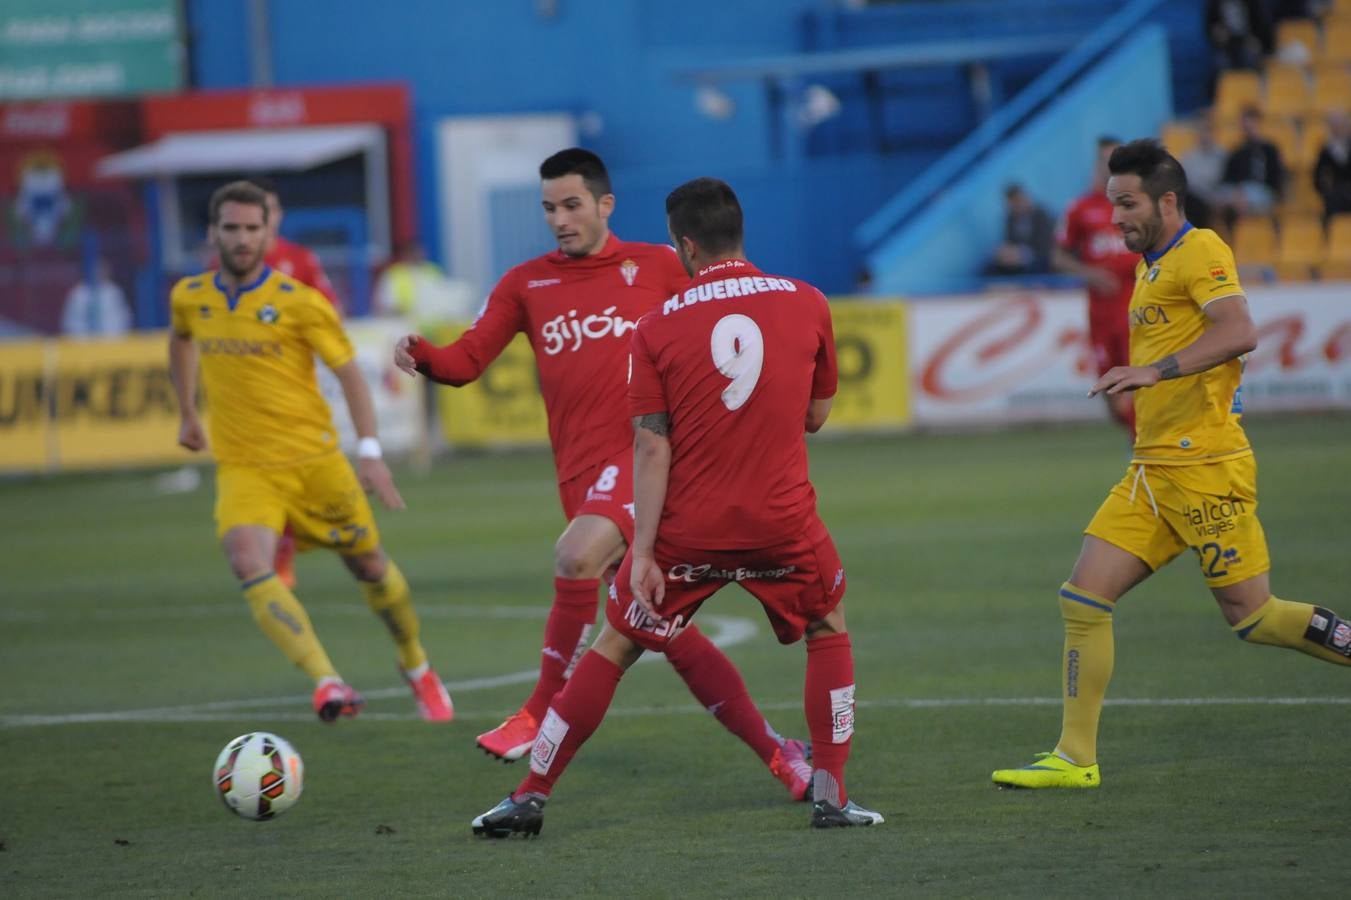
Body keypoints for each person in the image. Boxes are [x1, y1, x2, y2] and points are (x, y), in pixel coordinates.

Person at [469, 177, 883, 838]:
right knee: (827, 626)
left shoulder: (657, 326)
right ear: (739, 234)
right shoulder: (806, 302)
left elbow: (650, 448)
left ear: (684, 245)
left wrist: (640, 552)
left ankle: (529, 796)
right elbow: (816, 415)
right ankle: (831, 796)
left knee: (615, 643)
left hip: (690, 533)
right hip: (783, 524)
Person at [395, 150, 813, 798]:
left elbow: (730, 318)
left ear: (604, 204)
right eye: (548, 208)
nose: (558, 220)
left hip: (643, 460)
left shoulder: (655, 266)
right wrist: (422, 354)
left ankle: (538, 711)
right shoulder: (525, 284)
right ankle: (779, 753)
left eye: (570, 205)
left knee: (575, 556)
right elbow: (468, 360)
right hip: (580, 479)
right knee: (666, 634)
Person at [993, 140, 1351, 790]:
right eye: (1111, 205)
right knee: (1081, 598)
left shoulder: (1201, 251)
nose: (1115, 219)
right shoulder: (1148, 265)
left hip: (1206, 467)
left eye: (1126, 204)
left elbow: (1238, 331)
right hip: (1152, 471)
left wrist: (1150, 371)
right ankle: (1075, 758)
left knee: (1255, 617)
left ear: (1165, 200)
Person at [169, 181, 454, 724]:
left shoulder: (300, 303)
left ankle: (417, 666)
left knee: (370, 566)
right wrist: (187, 410)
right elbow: (180, 337)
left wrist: (369, 452)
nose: (243, 238)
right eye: (232, 227)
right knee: (245, 560)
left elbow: (349, 373)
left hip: (315, 464)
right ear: (213, 234)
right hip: (245, 467)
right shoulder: (191, 296)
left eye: (254, 228)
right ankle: (328, 682)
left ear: (269, 233)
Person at [209, 178, 342, 592]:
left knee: (304, 475)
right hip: (247, 397)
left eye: (267, 214)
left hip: (293, 388)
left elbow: (328, 312)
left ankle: (296, 539)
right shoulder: (224, 268)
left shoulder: (299, 260)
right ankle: (277, 553)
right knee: (263, 475)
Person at [1055, 136, 1139, 436]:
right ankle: (1137, 438)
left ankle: (1146, 451)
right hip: (1101, 313)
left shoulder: (1139, 206)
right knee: (1110, 394)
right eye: (1104, 159)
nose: (1109, 166)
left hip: (1136, 312)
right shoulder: (1080, 208)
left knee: (1134, 386)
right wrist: (1090, 273)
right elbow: (1058, 255)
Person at [1218, 107, 1285, 225]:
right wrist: (1237, 191)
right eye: (1243, 123)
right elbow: (1227, 178)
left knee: (1243, 198)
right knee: (1220, 198)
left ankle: (1243, 230)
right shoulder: (1237, 151)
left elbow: (1276, 177)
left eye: (1248, 122)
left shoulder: (1269, 149)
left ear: (1256, 122)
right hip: (1239, 191)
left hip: (1263, 191)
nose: (1245, 126)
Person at [984, 184, 1055, 276]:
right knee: (992, 266)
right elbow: (1009, 241)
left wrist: (1023, 254)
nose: (1016, 206)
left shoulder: (1041, 215)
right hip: (1017, 258)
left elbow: (1046, 247)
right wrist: (1007, 252)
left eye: (1018, 201)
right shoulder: (1010, 218)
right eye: (1012, 204)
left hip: (1039, 257)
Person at [61, 257, 132, 338]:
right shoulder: (78, 293)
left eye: (103, 269)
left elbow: (124, 319)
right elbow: (70, 321)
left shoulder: (114, 292)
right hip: (81, 344)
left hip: (111, 343)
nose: (100, 272)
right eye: (97, 269)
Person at [1313, 108, 1351, 223]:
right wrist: (1326, 191)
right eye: (1334, 124)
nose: (1338, 127)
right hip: (1336, 192)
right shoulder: (1326, 149)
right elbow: (1318, 175)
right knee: (1333, 201)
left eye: (1340, 123)